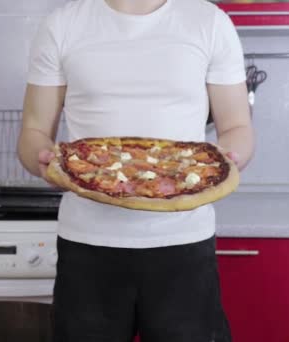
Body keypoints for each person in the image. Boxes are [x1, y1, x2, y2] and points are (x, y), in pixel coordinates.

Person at [18, 0, 254, 340]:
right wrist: (44, 162)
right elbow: (34, 131)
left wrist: (225, 159)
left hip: (182, 241)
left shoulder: (209, 21)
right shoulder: (62, 24)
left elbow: (237, 127)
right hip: (88, 246)